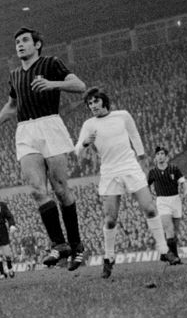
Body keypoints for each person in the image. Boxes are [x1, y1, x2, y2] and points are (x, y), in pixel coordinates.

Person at [0, 27, 88, 270]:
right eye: (17, 42)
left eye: (25, 41)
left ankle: (76, 245)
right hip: (26, 130)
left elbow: (80, 85)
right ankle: (59, 245)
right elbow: (12, 105)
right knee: (36, 189)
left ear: (37, 45)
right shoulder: (15, 75)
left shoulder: (51, 63)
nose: (20, 45)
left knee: (61, 189)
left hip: (50, 124)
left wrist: (53, 84)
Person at [74, 87, 174, 279]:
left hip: (130, 167)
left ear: (104, 101)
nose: (92, 106)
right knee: (110, 219)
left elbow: (134, 135)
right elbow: (77, 150)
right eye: (90, 103)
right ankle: (109, 258)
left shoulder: (122, 116)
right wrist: (85, 142)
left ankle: (164, 251)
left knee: (150, 208)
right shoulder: (89, 124)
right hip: (110, 172)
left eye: (95, 101)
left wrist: (142, 155)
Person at [147, 147, 187, 265]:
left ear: (166, 157)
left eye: (162, 154)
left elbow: (183, 182)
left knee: (174, 231)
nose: (160, 156)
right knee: (169, 229)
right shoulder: (153, 172)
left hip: (175, 200)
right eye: (158, 154)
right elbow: (146, 187)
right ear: (155, 158)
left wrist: (185, 191)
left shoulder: (174, 169)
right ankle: (175, 258)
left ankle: (164, 253)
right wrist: (148, 199)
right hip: (162, 201)